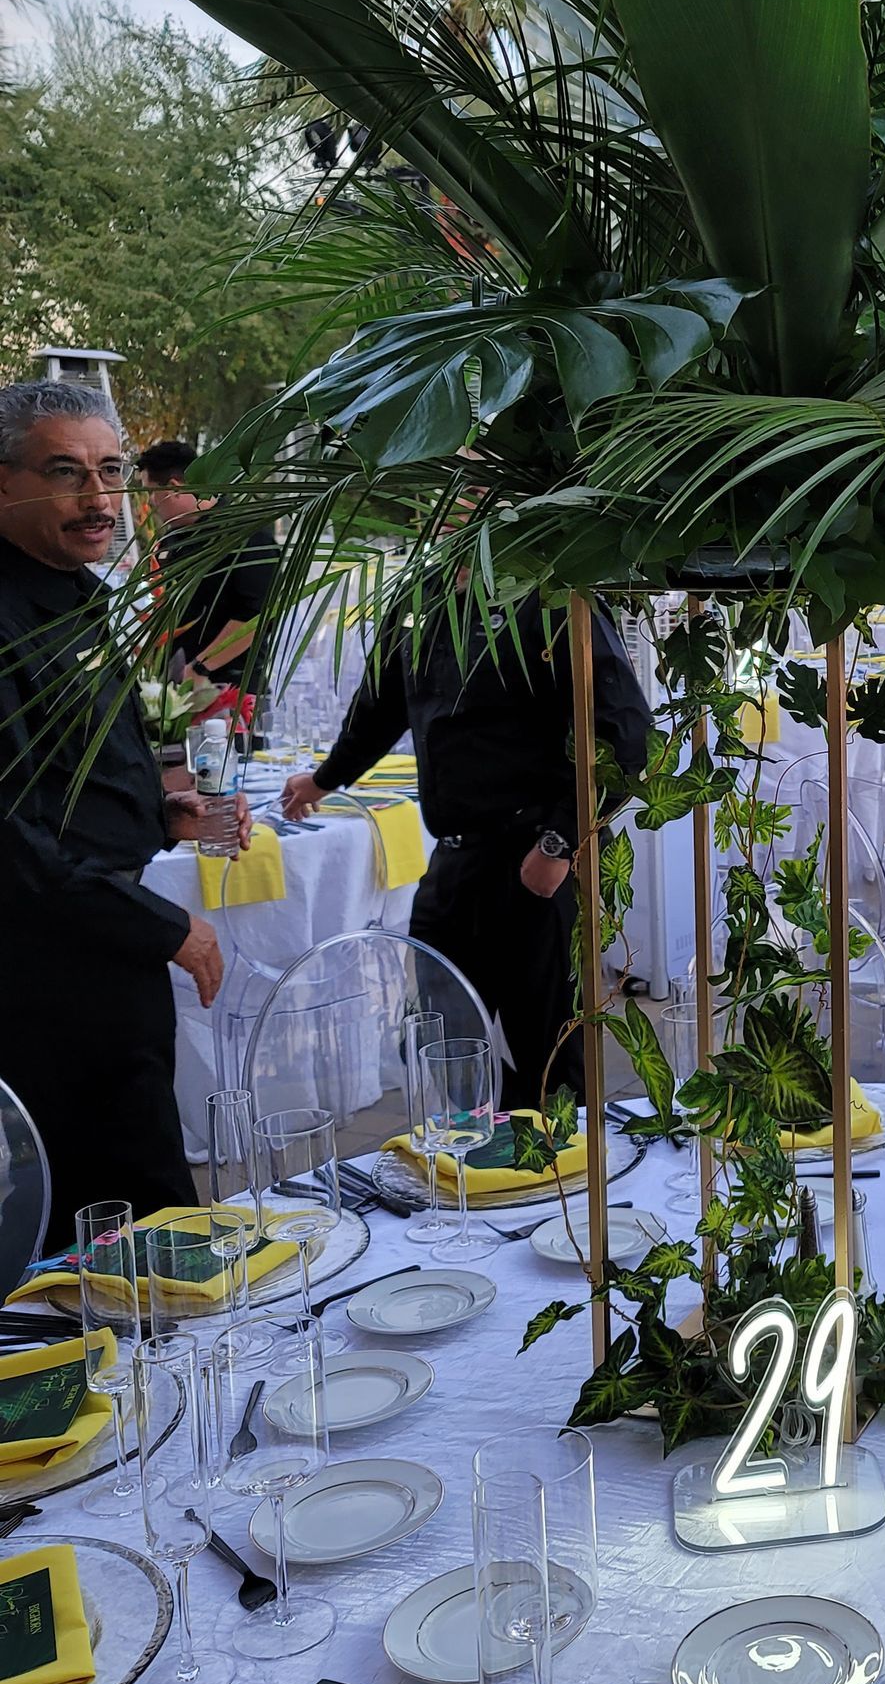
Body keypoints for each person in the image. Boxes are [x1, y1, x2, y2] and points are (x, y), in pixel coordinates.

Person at [0, 382, 249, 1242]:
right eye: (67, 473)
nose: (100, 500)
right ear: (3, 481)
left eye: (111, 472)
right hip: (46, 981)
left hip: (104, 962)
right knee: (119, 1228)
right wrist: (165, 927)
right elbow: (12, 840)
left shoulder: (73, 588)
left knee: (148, 1209)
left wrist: (161, 811)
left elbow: (70, 774)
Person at [281, 595, 650, 1106]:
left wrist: (559, 842)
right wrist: (324, 780)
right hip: (455, 856)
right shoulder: (418, 599)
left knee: (549, 1049)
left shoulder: (554, 599)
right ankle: (492, 1143)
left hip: (535, 858)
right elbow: (380, 708)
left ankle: (555, 1164)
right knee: (440, 1035)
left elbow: (624, 735)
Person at [135, 439, 278, 699]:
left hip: (230, 688)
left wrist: (201, 666)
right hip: (175, 685)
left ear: (174, 488)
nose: (149, 503)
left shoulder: (246, 534)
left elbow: (256, 617)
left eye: (150, 492)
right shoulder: (172, 538)